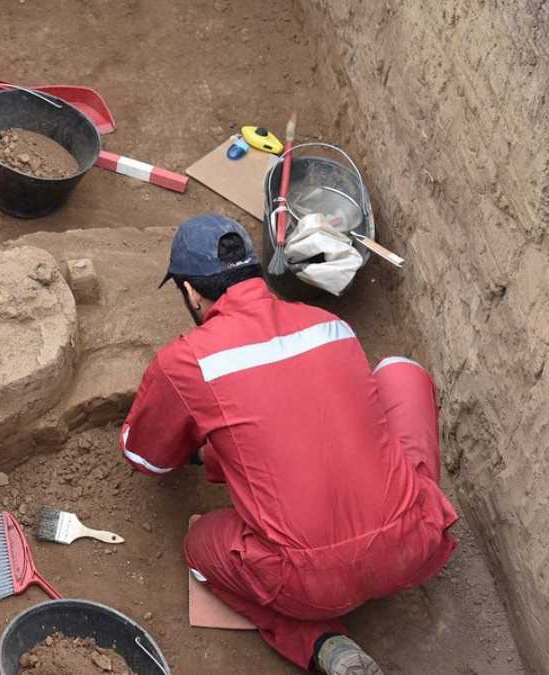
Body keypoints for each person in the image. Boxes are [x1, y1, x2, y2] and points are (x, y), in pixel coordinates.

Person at [120, 214, 458, 674]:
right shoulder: (329, 324)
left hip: (307, 584)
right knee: (401, 372)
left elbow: (145, 458)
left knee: (201, 548)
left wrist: (202, 448)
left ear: (191, 292)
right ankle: (412, 513)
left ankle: (321, 643)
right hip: (410, 548)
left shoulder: (186, 361)